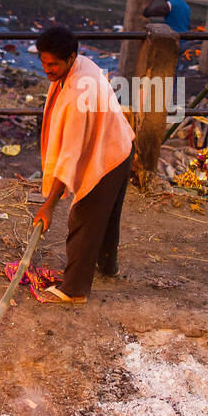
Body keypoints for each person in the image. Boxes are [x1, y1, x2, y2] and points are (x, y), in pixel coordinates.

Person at [31, 26, 136, 304]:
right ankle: (107, 265)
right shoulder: (81, 64)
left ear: (71, 58)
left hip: (110, 154)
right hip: (120, 144)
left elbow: (69, 156)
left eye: (53, 64)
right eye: (43, 62)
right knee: (108, 214)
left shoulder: (79, 94)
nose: (47, 69)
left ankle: (74, 289)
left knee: (84, 218)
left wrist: (49, 205)